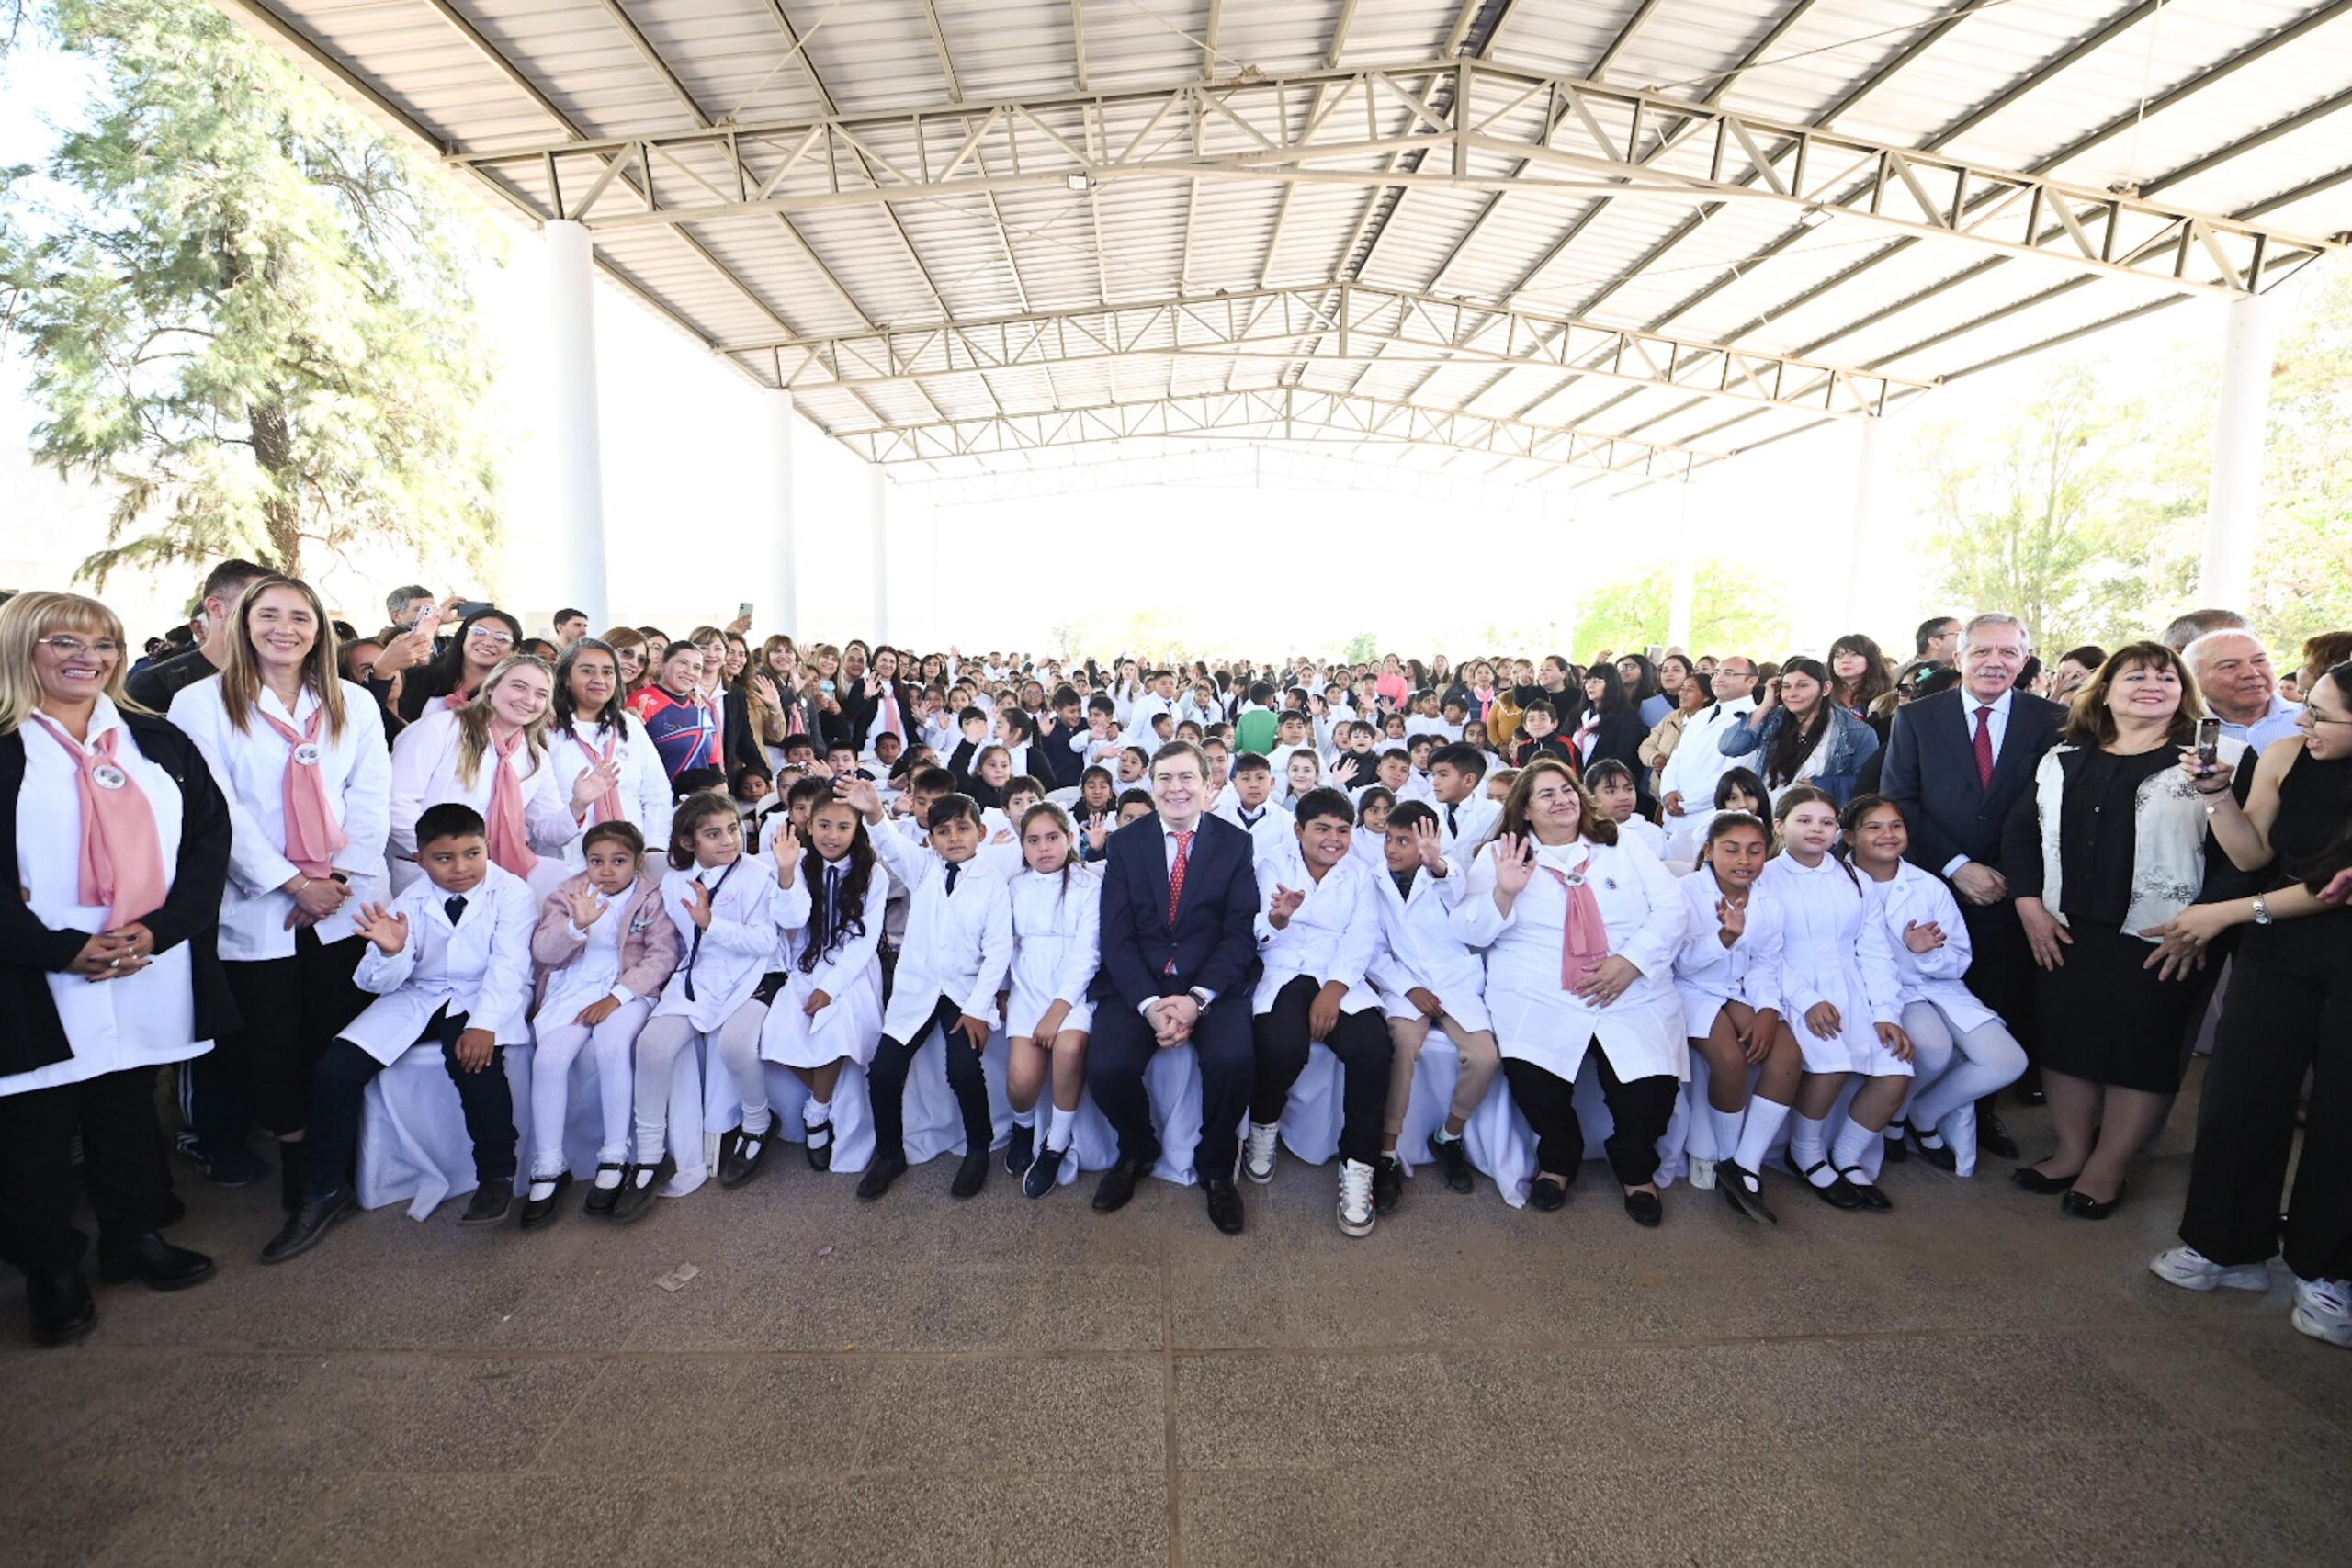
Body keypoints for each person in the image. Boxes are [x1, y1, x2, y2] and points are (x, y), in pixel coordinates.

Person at [0, 592, 232, 1343]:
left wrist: (160, 930)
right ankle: (51, 1267)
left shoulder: (152, 739)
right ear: (21, 648)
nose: (85, 658)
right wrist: (59, 947)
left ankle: (133, 1236)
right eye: (61, 641)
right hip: (36, 970)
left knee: (127, 1102)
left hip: (145, 958)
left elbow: (207, 841)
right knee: (33, 1128)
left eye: (101, 643)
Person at [166, 574, 391, 1214]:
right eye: (268, 614)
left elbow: (370, 797)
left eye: (300, 616)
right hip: (259, 901)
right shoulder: (201, 703)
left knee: (336, 1031)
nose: (284, 628)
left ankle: (341, 1158)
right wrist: (293, 882)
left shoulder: (354, 701)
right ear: (241, 622)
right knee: (272, 1043)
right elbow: (218, 809)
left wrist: (335, 881)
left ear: (319, 628)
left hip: (344, 900)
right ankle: (300, 1169)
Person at [2143, 660, 2351, 1347]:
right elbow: (2254, 849)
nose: (2304, 721)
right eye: (2307, 707)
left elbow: (2332, 888)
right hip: (2278, 949)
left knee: (2341, 1113)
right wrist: (2216, 796)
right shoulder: (2287, 752)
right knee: (2240, 1092)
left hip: (2322, 937)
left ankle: (2330, 1271)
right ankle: (2225, 1246)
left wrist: (2223, 915)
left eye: (2322, 714)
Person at [1997, 642, 2239, 1219]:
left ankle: (2109, 1164)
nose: (2151, 685)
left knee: (2142, 1047)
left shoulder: (2218, 758)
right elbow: (2021, 835)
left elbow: (2241, 856)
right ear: (2105, 689)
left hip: (2165, 933)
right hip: (2064, 926)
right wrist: (2029, 904)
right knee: (2065, 1040)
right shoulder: (2062, 756)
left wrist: (2204, 921)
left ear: (2184, 693)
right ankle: (2072, 1151)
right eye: (2135, 676)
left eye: (2167, 677)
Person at [262, 802, 537, 1262]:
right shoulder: (409, 900)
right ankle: (325, 1191)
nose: (461, 868)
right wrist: (391, 951)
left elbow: (509, 969)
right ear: (419, 859)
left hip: (480, 994)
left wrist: (484, 1025)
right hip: (420, 995)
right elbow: (372, 982)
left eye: (473, 853)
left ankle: (496, 1177)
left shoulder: (512, 893)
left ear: (487, 847)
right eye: (444, 859)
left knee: (473, 1061)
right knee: (334, 1071)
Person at [1453, 760, 1687, 1224]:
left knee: (1651, 1085)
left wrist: (1631, 962)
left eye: (1567, 790)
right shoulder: (1501, 854)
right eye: (1546, 794)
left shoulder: (1623, 844)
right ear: (1524, 809)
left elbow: (1672, 907)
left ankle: (1635, 1165)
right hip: (1539, 987)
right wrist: (1504, 893)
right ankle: (1560, 1157)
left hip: (1628, 983)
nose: (1562, 800)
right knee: (1533, 1077)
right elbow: (1471, 932)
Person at [1880, 613, 2064, 1155]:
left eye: (2009, 653)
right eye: (1982, 651)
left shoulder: (2052, 722)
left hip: (2013, 888)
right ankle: (1898, 1110)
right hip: (1934, 882)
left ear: (2025, 661)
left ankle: (1979, 1114)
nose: (1995, 662)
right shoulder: (1917, 719)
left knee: (1999, 999)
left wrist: (2008, 875)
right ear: (1957, 658)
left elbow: (2049, 811)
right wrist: (1958, 865)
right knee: (1925, 1001)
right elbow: (1901, 802)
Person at [1086, 739, 1263, 1234]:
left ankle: (1215, 1167)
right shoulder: (1126, 842)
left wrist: (1196, 999)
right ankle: (1136, 1150)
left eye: (1186, 777)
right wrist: (1147, 1004)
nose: (1175, 788)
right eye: (1164, 778)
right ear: (1151, 785)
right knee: (1106, 1066)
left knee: (1233, 1062)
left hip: (1209, 980)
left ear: (1208, 784)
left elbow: (1238, 933)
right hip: (1140, 979)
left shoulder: (1234, 844)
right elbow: (1115, 934)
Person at [612, 792, 808, 1220]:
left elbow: (764, 942)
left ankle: (758, 1124)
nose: (727, 840)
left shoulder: (757, 875)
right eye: (712, 833)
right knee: (652, 1048)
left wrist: (711, 924)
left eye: (733, 830)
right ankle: (649, 1156)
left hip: (757, 975)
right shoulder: (673, 882)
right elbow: (671, 943)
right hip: (698, 976)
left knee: (736, 1046)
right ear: (688, 842)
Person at [841, 777, 1012, 1201]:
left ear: (981, 833)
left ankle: (977, 1149)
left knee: (964, 1070)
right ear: (931, 838)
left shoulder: (991, 882)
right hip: (918, 989)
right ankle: (889, 1154)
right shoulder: (923, 868)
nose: (954, 838)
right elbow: (891, 844)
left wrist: (977, 1009)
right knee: (882, 1071)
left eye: (962, 828)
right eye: (943, 831)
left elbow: (998, 952)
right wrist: (874, 812)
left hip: (963, 993)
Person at [1240, 788, 1395, 1237]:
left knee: (1372, 1051)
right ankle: (1264, 1125)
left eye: (1342, 830)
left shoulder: (1360, 874)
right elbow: (1256, 931)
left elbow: (1361, 935)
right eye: (1322, 829)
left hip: (1338, 973)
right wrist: (1278, 920)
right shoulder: (1273, 861)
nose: (1333, 839)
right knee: (1279, 1046)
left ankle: (1358, 1165)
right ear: (1299, 830)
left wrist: (1334, 991)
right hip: (1285, 966)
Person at [1845, 795, 2027, 1177]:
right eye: (1873, 827)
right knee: (1932, 1048)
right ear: (1849, 837)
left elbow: (1959, 959)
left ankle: (1920, 1112)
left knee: (2010, 1062)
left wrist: (1924, 954)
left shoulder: (1928, 886)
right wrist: (1909, 957)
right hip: (1885, 993)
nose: (1887, 835)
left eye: (1895, 826)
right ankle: (1896, 1119)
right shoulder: (1838, 885)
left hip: (1939, 986)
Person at [1759, 787, 1913, 1212]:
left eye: (1826, 822)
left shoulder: (1854, 878)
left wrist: (1886, 1012)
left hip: (1852, 984)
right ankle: (1805, 1152)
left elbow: (1874, 949)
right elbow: (1764, 953)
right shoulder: (1765, 877)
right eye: (1804, 820)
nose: (1817, 830)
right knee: (1830, 1064)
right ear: (1779, 826)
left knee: (1896, 1069)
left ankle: (1847, 1156)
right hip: (1792, 985)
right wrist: (1807, 1000)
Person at [524, 820, 679, 1227]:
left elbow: (662, 956)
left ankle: (615, 1153)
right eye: (597, 861)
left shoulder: (651, 897)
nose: (606, 870)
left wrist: (617, 997)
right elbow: (544, 951)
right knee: (550, 1060)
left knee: (612, 1046)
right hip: (573, 986)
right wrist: (576, 925)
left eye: (618, 861)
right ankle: (549, 1165)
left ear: (638, 862)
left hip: (625, 986)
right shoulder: (569, 894)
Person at [1367, 801, 1496, 1199]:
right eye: (1389, 838)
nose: (1392, 848)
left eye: (1403, 841)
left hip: (1454, 982)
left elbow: (1455, 892)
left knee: (1485, 1056)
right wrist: (1409, 989)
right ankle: (1387, 1151)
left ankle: (1449, 1134)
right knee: (1401, 1045)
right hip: (1405, 986)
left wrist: (1436, 865)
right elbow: (1371, 949)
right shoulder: (1371, 881)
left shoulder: (1446, 875)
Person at [1671, 810, 1795, 1224]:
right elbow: (1683, 964)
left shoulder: (1770, 904)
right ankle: (1727, 1154)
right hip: (1689, 989)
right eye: (1732, 849)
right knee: (1729, 1059)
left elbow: (1764, 965)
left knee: (1786, 1054)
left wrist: (1767, 1010)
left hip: (1739, 989)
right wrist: (1725, 937)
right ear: (1708, 851)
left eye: (1755, 850)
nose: (1745, 859)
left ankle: (1745, 1163)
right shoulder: (1686, 892)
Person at [760, 787, 891, 1170]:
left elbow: (865, 939)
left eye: (843, 827)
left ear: (857, 830)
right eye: (824, 825)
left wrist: (830, 988)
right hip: (805, 963)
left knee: (835, 1030)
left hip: (852, 969)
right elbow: (792, 921)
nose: (832, 835)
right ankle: (825, 1098)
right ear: (808, 825)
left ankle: (816, 1112)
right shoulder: (798, 864)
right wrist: (786, 873)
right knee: (777, 1034)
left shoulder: (873, 872)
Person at [389, 655, 585, 900]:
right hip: (426, 873)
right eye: (519, 687)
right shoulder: (438, 729)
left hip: (495, 878)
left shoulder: (535, 757)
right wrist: (448, 858)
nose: (529, 700)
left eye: (541, 694)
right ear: (491, 687)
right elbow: (396, 803)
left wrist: (579, 804)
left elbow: (548, 831)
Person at [1000, 803, 1101, 1198]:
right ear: (1022, 846)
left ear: (1070, 839)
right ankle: (1023, 1127)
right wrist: (1004, 988)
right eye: (1034, 840)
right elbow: (1002, 943)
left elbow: (1088, 953)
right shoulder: (1014, 885)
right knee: (1022, 1082)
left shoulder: (1088, 884)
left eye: (1053, 838)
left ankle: (1055, 1145)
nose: (1044, 848)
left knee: (1070, 1047)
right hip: (1027, 985)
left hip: (1071, 989)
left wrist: (1059, 1010)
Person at [547, 639, 673, 871]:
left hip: (633, 863)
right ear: (565, 678)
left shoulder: (630, 726)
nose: (599, 679)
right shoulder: (545, 731)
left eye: (608, 672)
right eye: (587, 671)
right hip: (569, 865)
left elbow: (657, 793)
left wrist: (654, 848)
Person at [1718, 656, 1879, 807]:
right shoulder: (1773, 719)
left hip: (1818, 821)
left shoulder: (1857, 732)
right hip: (1768, 818)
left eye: (1802, 685)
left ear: (1826, 688)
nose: (1792, 694)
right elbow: (1730, 747)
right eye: (1786, 687)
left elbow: (1866, 786)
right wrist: (1766, 705)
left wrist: (1820, 785)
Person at [123, 558, 271, 712]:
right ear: (216, 608)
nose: (275, 621)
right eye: (259, 606)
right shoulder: (157, 685)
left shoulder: (282, 679)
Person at [1657, 656, 1758, 855]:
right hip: (1674, 814)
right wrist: (1668, 792)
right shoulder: (1701, 715)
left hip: (1707, 815)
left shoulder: (1752, 719)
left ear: (1751, 681)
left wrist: (1685, 803)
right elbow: (1677, 757)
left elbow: (1732, 774)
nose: (1718, 678)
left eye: (1729, 673)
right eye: (1716, 673)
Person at [390, 607, 522, 722]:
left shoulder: (512, 696)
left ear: (514, 651)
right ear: (463, 636)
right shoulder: (419, 678)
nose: (487, 642)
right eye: (479, 632)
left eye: (501, 638)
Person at [2184, 629, 2303, 752]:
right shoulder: (2183, 730)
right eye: (2230, 666)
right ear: (2194, 679)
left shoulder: (2308, 720)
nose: (2251, 673)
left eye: (2259, 661)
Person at [629, 641, 722, 784]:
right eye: (683, 663)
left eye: (697, 667)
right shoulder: (641, 701)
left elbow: (713, 762)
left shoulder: (702, 707)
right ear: (663, 664)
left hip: (700, 801)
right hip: (658, 800)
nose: (690, 672)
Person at [1827, 634, 1894, 720]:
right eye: (1838, 656)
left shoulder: (1886, 695)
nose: (1845, 660)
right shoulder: (1822, 693)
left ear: (1871, 659)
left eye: (1854, 654)